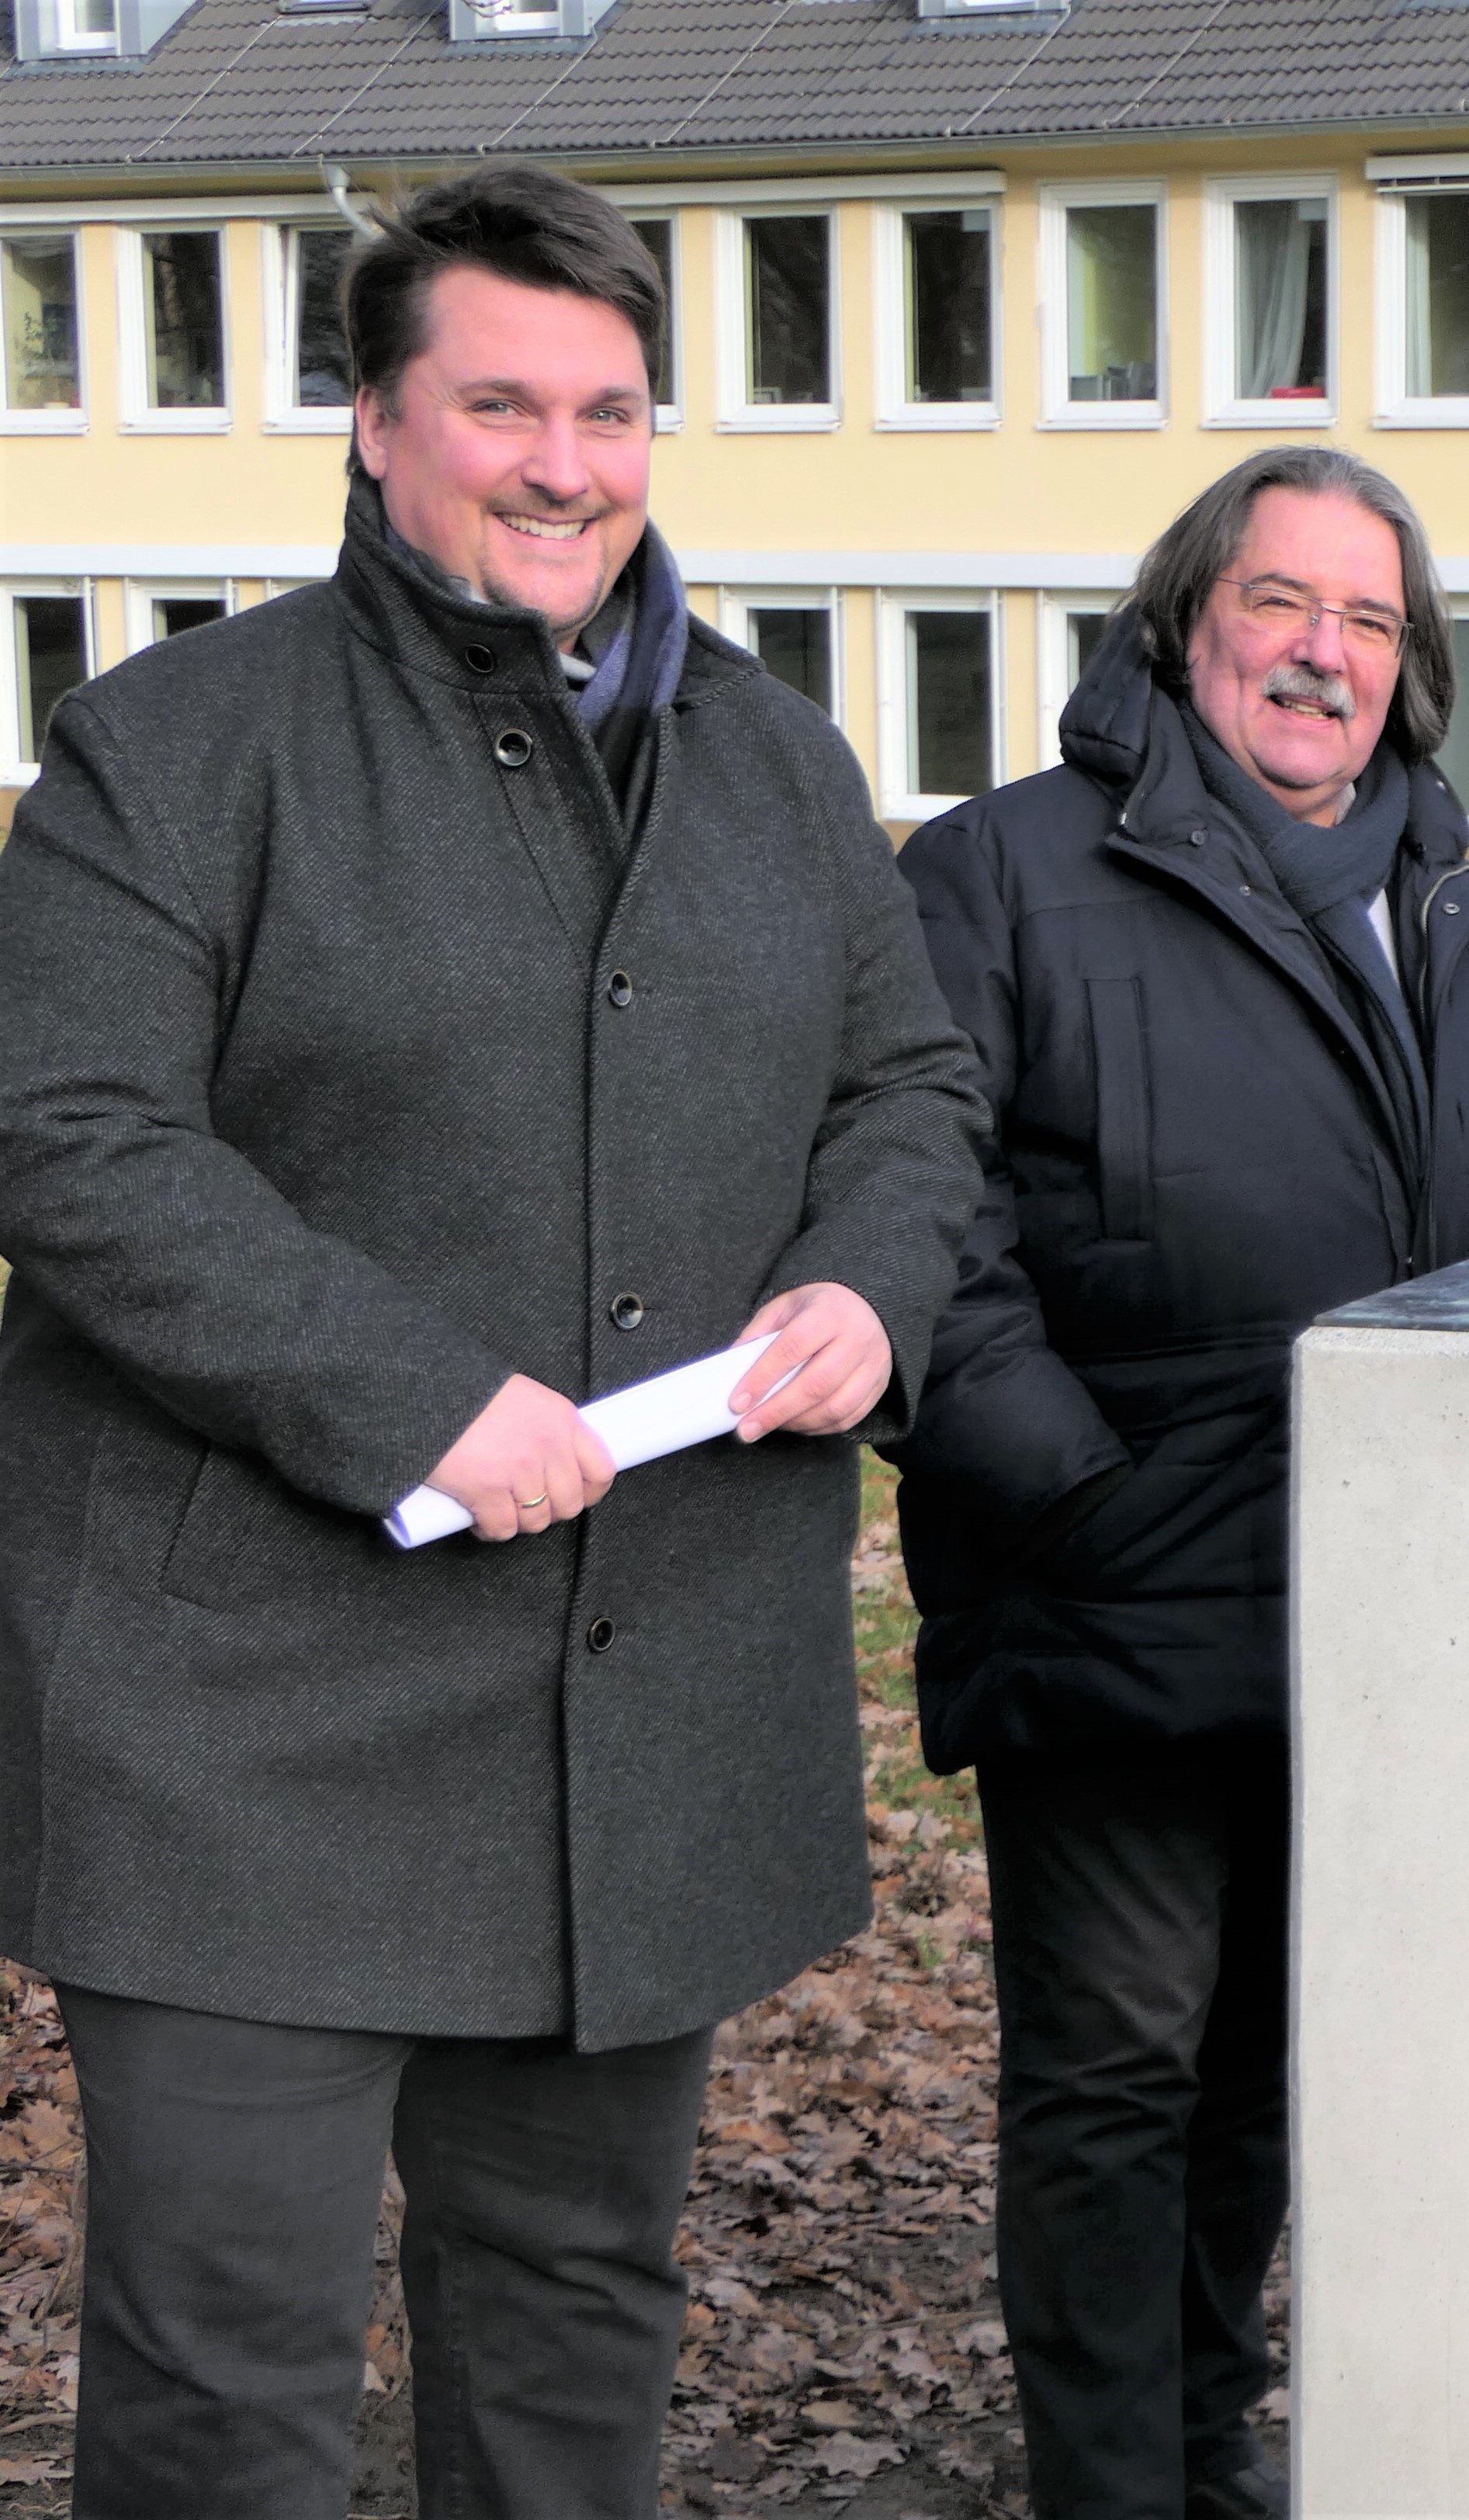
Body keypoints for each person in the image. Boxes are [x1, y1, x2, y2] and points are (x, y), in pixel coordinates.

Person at [0, 165, 983, 2514]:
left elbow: (911, 1087)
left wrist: (872, 1277)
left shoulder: (775, 758)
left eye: (613, 407)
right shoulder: (178, 742)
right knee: (227, 2372)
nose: (566, 460)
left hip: (635, 1716)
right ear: (375, 424)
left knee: (571, 2333)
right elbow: (71, 1135)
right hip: (239, 1721)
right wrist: (401, 1388)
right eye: (502, 403)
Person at [883, 445, 1469, 2519]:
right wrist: (1069, 1491)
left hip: (1382, 1604)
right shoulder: (1005, 871)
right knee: (1114, 2078)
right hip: (1116, 1585)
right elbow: (912, 1215)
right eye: (1282, 603)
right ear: (1188, 621)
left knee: (1268, 2074)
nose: (1323, 655)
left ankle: (1205, 2444)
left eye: (1372, 622)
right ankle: (1109, 2487)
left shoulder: (1459, 913)